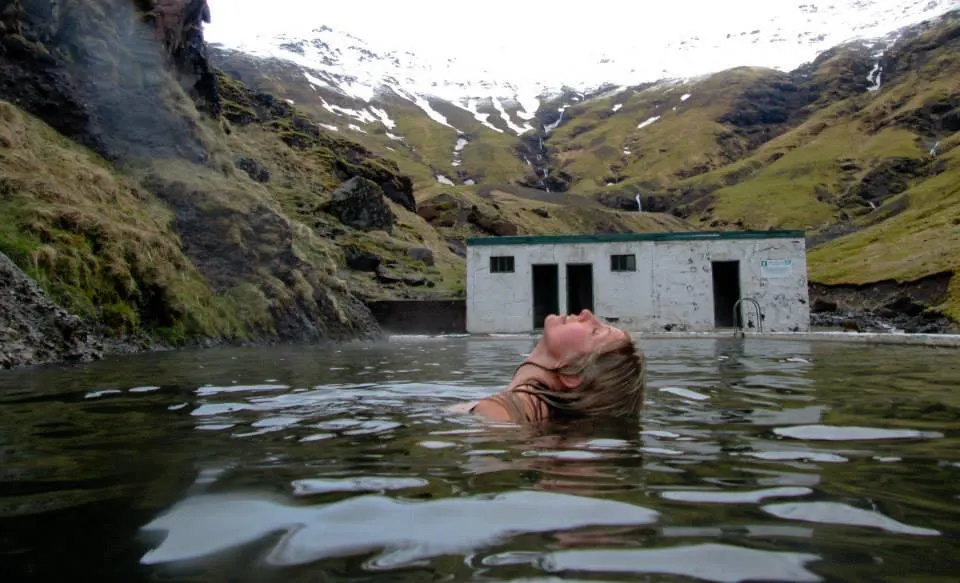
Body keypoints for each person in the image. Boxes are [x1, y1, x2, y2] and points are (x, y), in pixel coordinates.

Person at [458, 309, 646, 423]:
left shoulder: (501, 411)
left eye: (595, 331)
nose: (586, 314)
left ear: (572, 373)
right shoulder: (519, 409)